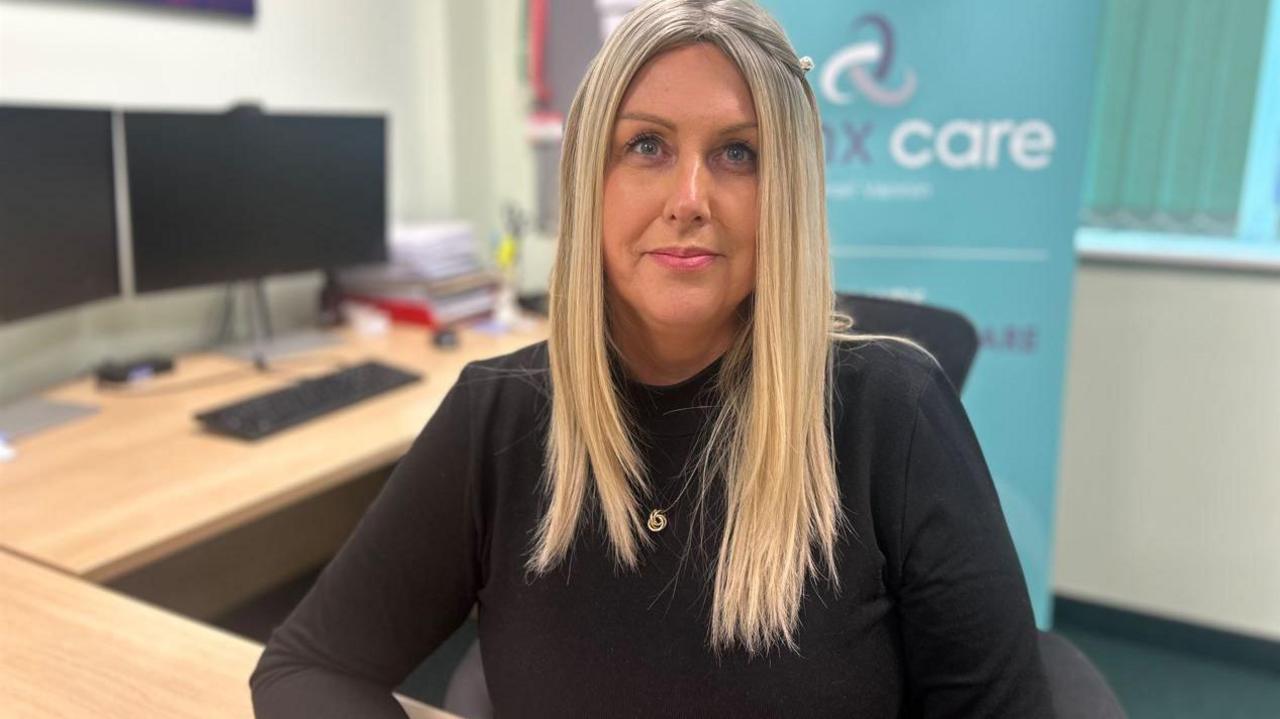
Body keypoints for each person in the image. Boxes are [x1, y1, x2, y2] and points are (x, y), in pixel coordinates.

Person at [250, 1, 1052, 716]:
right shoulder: (500, 412)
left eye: (738, 153)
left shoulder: (892, 414)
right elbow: (307, 665)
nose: (690, 198)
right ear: (587, 182)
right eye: (646, 146)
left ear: (787, 195)